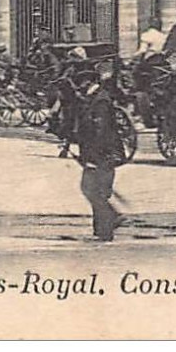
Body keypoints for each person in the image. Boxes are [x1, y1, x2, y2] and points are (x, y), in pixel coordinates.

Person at [75, 63, 126, 242]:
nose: (78, 86)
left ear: (88, 82)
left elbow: (102, 131)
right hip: (97, 154)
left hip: (102, 154)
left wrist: (93, 158)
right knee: (98, 191)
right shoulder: (93, 98)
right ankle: (102, 232)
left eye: (80, 82)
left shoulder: (100, 101)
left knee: (90, 188)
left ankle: (111, 218)